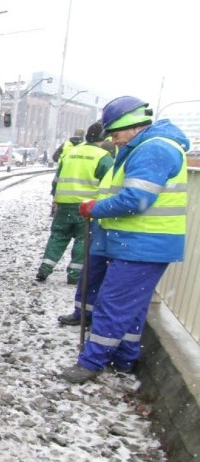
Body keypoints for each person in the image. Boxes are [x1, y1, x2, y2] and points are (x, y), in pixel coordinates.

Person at [59, 96, 189, 384]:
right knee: (132, 308)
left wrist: (94, 208)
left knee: (113, 304)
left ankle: (91, 363)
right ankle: (125, 358)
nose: (114, 141)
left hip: (143, 244)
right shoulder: (146, 147)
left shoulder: (154, 149)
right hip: (143, 244)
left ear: (131, 126)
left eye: (116, 134)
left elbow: (136, 199)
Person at [36, 121, 114, 284]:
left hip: (64, 204)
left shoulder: (72, 152)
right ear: (103, 139)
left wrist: (55, 199)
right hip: (86, 207)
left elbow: (57, 178)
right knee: (82, 240)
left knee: (58, 236)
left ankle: (44, 269)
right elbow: (109, 184)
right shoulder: (103, 157)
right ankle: (74, 275)